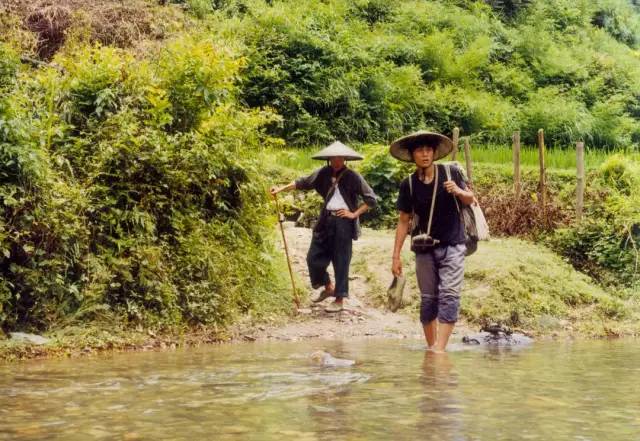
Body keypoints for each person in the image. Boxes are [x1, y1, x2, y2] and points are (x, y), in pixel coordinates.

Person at [389, 131, 474, 352]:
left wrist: (458, 191)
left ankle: (439, 350)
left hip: (453, 244)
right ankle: (432, 346)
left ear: (435, 153)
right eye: (420, 150)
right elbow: (403, 221)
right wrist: (396, 256)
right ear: (412, 155)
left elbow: (471, 199)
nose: (425, 154)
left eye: (428, 150)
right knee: (428, 299)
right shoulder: (408, 184)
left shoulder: (451, 172)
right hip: (424, 248)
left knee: (449, 295)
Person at [271, 141, 377, 313]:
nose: (337, 160)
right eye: (333, 157)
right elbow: (302, 182)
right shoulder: (323, 173)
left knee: (341, 259)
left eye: (340, 157)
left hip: (343, 222)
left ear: (345, 159)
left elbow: (371, 199)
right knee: (313, 257)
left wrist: (354, 214)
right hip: (325, 220)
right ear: (329, 159)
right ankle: (328, 287)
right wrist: (280, 189)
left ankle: (340, 298)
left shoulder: (353, 176)